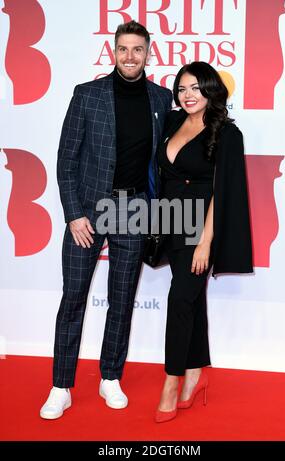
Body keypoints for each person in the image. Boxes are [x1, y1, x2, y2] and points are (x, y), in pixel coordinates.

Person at [40, 20, 172, 419]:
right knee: (74, 298)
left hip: (133, 210)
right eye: (123, 49)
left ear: (149, 53)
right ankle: (61, 386)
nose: (130, 56)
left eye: (138, 49)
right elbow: (66, 159)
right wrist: (74, 214)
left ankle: (110, 377)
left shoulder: (162, 99)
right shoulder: (87, 95)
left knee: (121, 301)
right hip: (88, 212)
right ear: (113, 52)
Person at [155, 61, 253, 423]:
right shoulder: (170, 122)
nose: (187, 95)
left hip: (201, 228)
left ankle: (171, 380)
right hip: (169, 223)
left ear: (211, 89)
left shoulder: (227, 133)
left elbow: (220, 190)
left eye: (195, 87)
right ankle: (196, 372)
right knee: (191, 299)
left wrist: (204, 243)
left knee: (180, 298)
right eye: (181, 89)